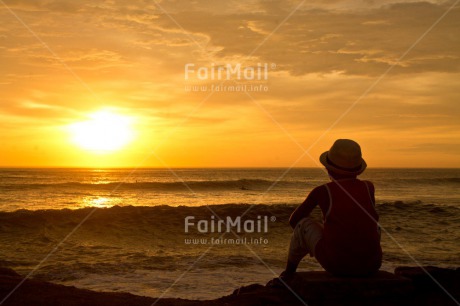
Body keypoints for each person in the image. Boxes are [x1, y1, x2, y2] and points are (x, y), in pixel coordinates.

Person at [282, 139, 382, 279]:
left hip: (338, 266)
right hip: (372, 265)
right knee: (374, 226)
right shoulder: (369, 187)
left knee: (302, 225)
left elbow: (294, 221)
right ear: (358, 170)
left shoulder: (322, 191)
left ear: (328, 168)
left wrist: (322, 232)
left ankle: (289, 273)